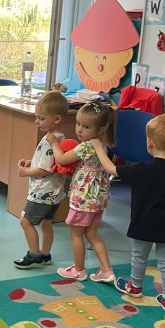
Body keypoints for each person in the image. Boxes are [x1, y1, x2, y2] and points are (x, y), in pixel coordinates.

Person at [91, 113, 165, 312]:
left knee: (139, 256)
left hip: (142, 223)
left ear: (149, 142)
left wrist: (98, 147)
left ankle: (135, 287)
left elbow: (111, 169)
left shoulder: (141, 169)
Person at [47, 100, 115, 283]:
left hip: (83, 199)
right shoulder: (101, 144)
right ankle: (106, 270)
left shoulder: (86, 146)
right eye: (78, 124)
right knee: (92, 234)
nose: (79, 130)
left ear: (101, 129)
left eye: (86, 126)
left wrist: (54, 143)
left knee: (76, 234)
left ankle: (78, 270)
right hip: (98, 199)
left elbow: (62, 159)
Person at [13, 91, 69, 270]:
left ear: (57, 119)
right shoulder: (57, 138)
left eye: (41, 118)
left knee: (25, 221)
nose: (36, 122)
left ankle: (35, 254)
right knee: (46, 223)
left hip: (42, 192)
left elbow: (44, 170)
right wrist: (31, 161)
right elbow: (49, 162)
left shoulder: (51, 140)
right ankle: (45, 254)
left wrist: (26, 172)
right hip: (54, 193)